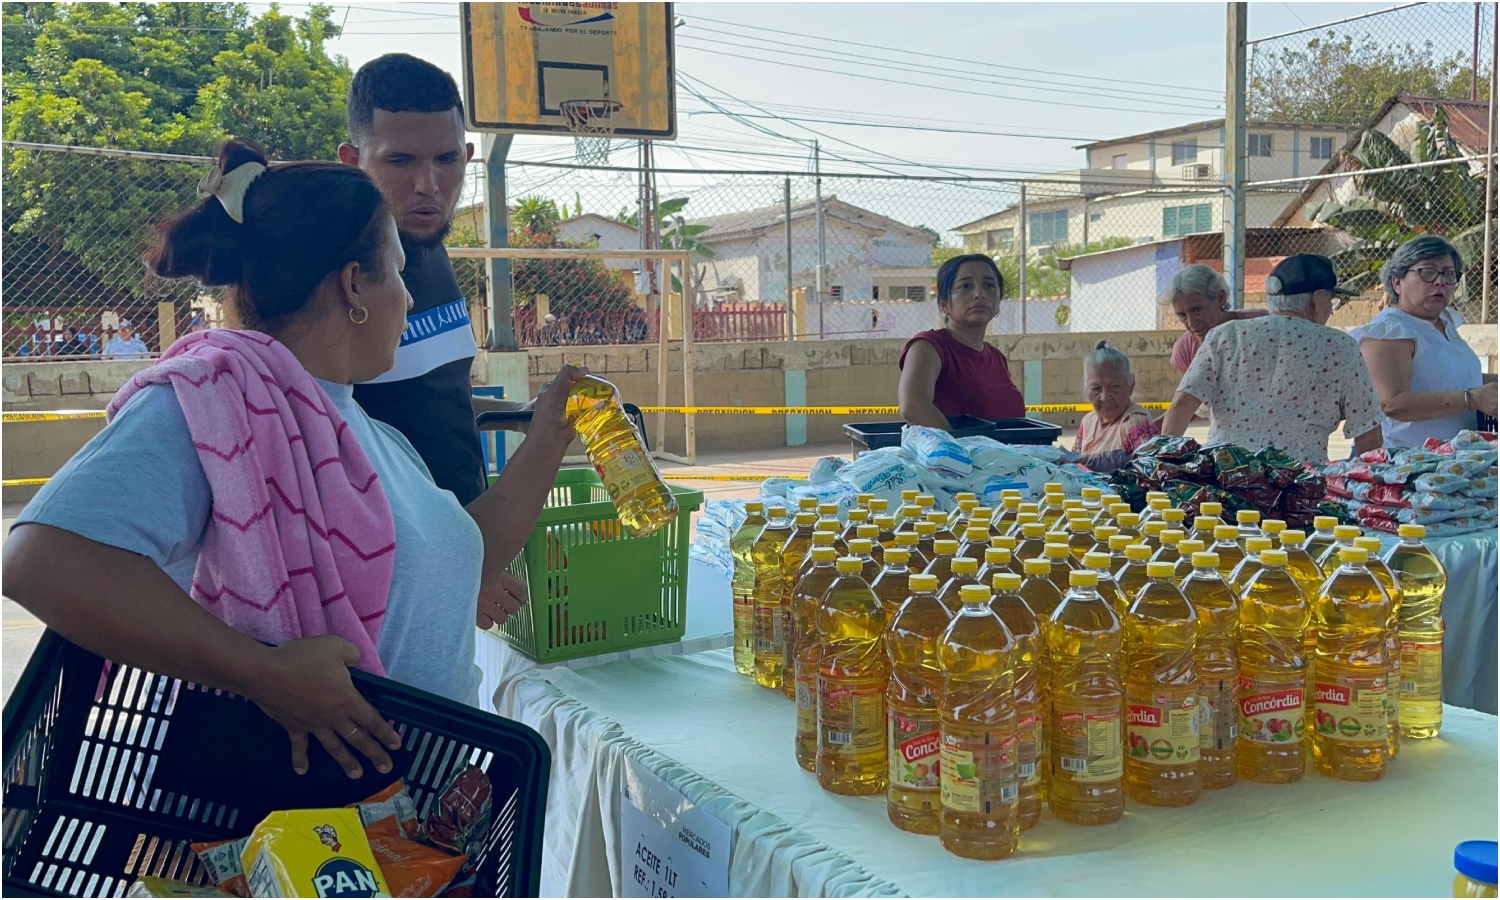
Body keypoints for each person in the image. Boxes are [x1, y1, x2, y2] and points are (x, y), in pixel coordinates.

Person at [2, 138, 585, 781]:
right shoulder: (221, 402)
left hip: (412, 818)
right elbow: (39, 560)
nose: (409, 299)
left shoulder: (356, 429)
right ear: (354, 284)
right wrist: (261, 672)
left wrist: (551, 434)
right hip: (295, 825)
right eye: (396, 273)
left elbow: (465, 551)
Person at [338, 54, 528, 508]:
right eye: (400, 160)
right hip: (395, 566)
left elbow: (438, 408)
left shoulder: (431, 250)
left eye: (446, 159)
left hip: (464, 545)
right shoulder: (330, 280)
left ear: (466, 157)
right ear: (353, 161)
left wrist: (533, 416)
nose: (428, 184)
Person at [1161, 254, 1383, 465]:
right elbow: (1369, 436)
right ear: (1315, 300)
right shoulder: (1341, 346)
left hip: (1228, 479)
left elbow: (1181, 407)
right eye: (1331, 301)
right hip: (1299, 485)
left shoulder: (1224, 336)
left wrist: (1164, 466)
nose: (1331, 310)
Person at [1353, 235, 1497, 448]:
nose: (1440, 281)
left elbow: (1455, 377)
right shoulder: (1390, 331)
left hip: (1454, 460)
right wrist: (1471, 399)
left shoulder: (1444, 321)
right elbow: (1391, 402)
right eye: (1427, 272)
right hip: (1410, 463)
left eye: (1449, 274)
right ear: (1397, 282)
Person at [898, 253, 1025, 428]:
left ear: (998, 302)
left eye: (989, 285)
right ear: (943, 304)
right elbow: (913, 407)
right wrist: (962, 451)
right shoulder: (929, 347)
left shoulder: (997, 358)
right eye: (966, 286)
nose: (979, 294)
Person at [1165, 263, 1268, 374]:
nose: (1191, 323)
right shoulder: (1185, 349)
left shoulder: (1261, 324)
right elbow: (1191, 391)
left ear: (1220, 298)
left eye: (1196, 310)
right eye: (1182, 315)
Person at [1073, 340, 1158, 472]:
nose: (1105, 397)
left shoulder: (1134, 420)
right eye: (1096, 388)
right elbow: (1072, 467)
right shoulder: (1087, 422)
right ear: (1085, 389)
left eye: (1115, 387)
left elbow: (1150, 471)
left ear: (1131, 385)